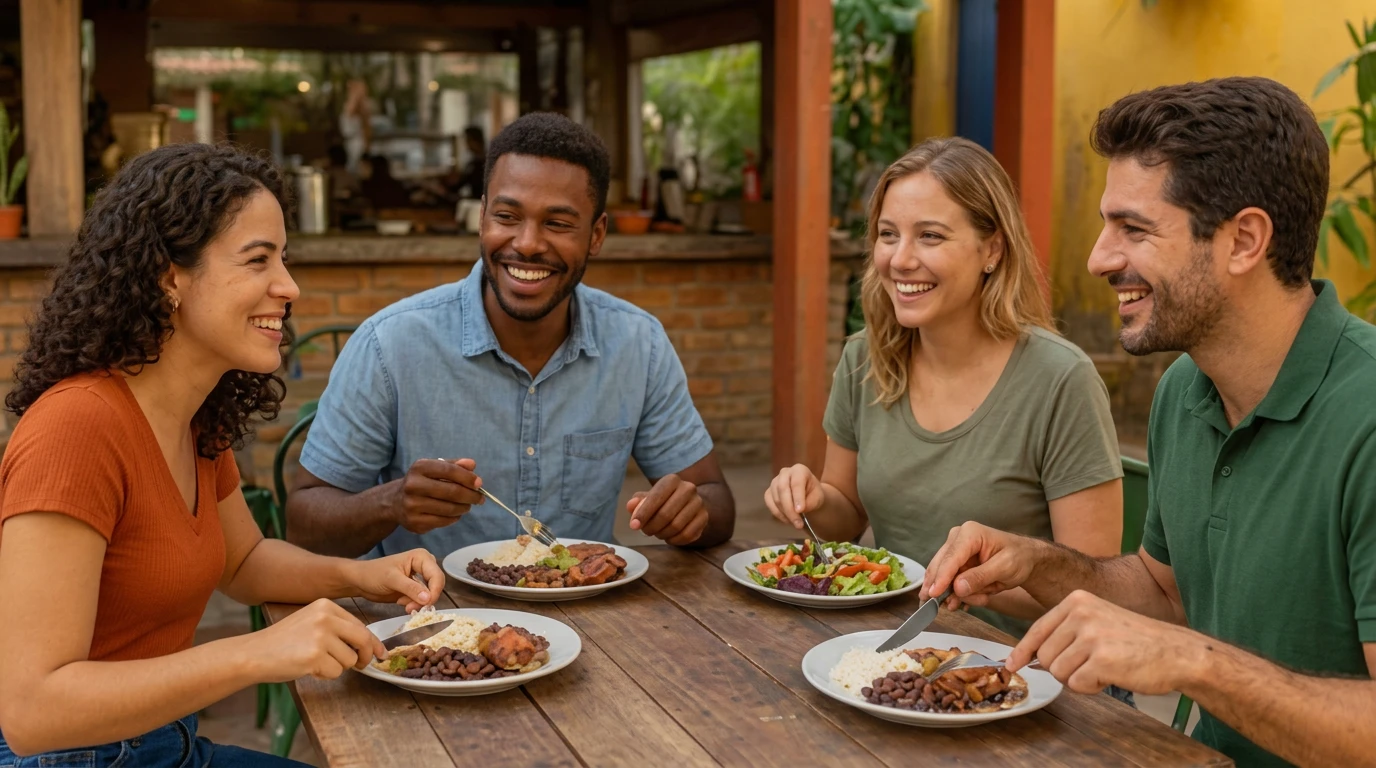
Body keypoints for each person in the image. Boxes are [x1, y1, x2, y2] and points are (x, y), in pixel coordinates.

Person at [920, 77, 1376, 767]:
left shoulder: (1365, 416)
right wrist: (1039, 564)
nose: (1098, 258)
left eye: (1133, 229)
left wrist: (1194, 661)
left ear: (1244, 240)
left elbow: (1182, 641)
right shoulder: (1185, 389)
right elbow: (1166, 594)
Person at [0, 143, 444, 767]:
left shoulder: (193, 417)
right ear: (169, 277)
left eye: (283, 259)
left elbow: (245, 562)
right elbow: (31, 712)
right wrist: (255, 653)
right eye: (257, 260)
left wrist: (364, 575)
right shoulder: (75, 429)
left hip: (165, 746)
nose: (288, 286)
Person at [286, 112, 736, 560]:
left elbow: (716, 502)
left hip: (589, 604)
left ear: (596, 235)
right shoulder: (390, 345)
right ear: (482, 218)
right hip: (430, 604)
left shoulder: (638, 344)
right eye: (506, 216)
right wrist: (390, 503)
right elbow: (304, 527)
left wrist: (688, 513)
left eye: (557, 223)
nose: (527, 243)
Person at [764, 137, 1124, 639]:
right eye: (888, 235)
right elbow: (845, 517)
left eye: (930, 236)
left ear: (992, 249)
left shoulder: (1061, 379)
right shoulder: (863, 358)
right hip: (883, 647)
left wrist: (968, 582)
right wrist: (813, 501)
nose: (900, 259)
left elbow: (1096, 589)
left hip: (1023, 664)